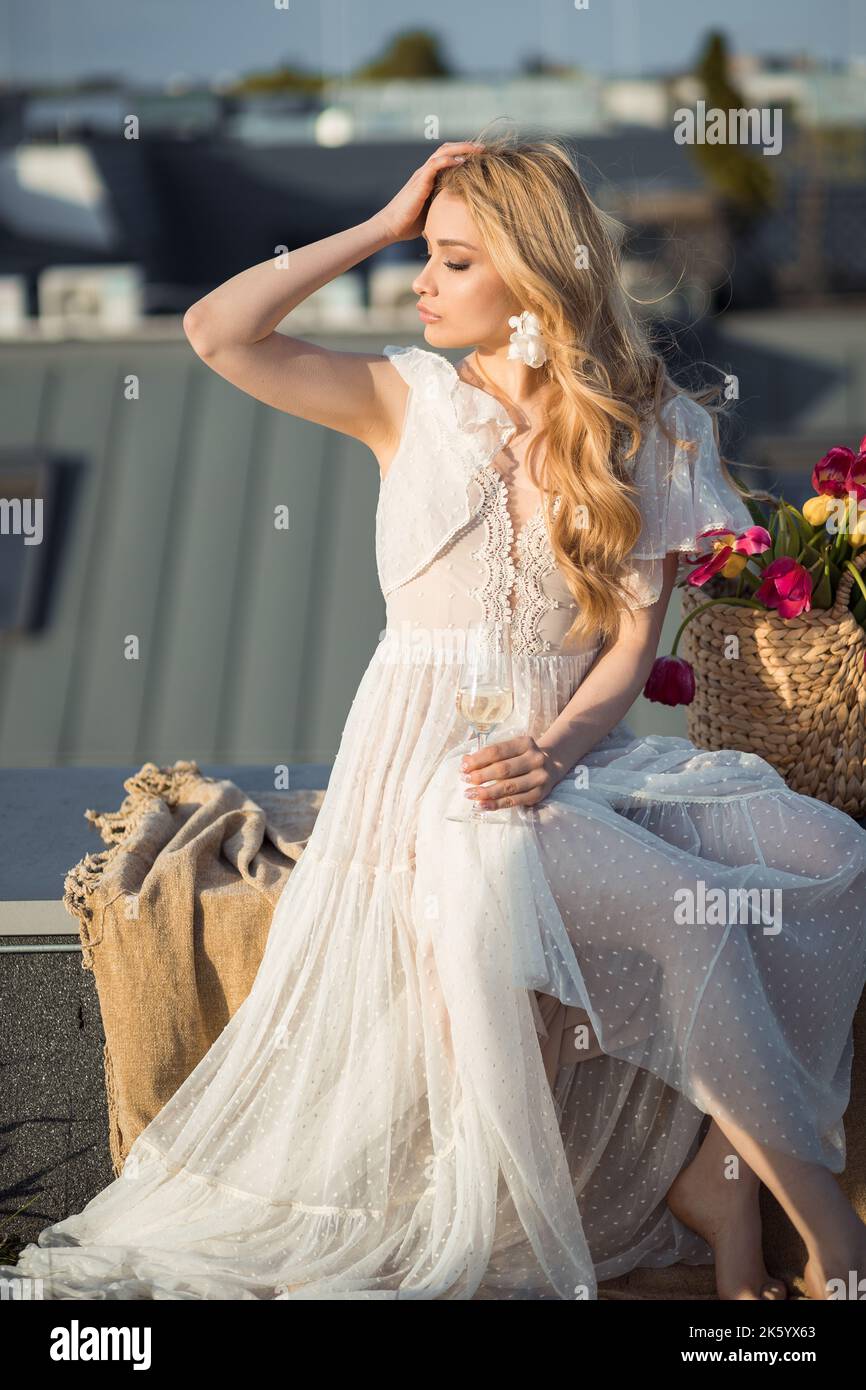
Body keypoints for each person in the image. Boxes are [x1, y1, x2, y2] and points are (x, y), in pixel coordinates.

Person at [5, 135, 866, 1302]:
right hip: (436, 781)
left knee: (825, 850)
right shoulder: (398, 396)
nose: (418, 282)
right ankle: (823, 1241)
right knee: (692, 923)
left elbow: (623, 649)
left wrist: (558, 747)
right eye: (423, 256)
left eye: (451, 260)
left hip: (572, 760)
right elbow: (218, 331)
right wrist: (377, 221)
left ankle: (718, 1183)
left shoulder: (646, 421)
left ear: (530, 274)